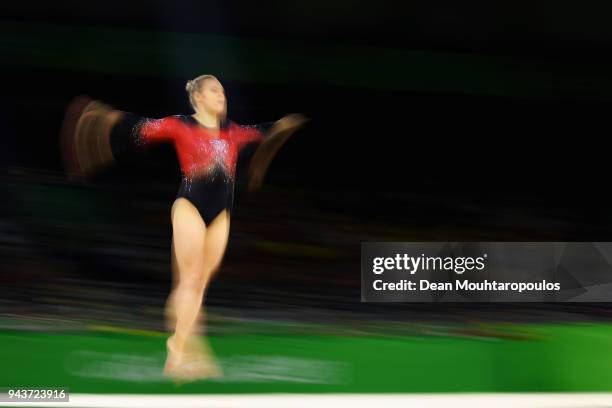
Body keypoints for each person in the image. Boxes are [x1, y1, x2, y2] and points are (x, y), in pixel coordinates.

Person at [60, 74, 307, 380]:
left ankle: (194, 350)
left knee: (199, 284)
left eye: (223, 92)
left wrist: (284, 124)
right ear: (199, 97)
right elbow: (139, 127)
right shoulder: (181, 125)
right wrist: (107, 118)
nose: (222, 96)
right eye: (215, 91)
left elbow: (262, 133)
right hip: (190, 205)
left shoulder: (233, 131)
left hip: (221, 212)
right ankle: (177, 349)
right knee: (190, 280)